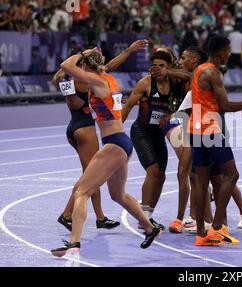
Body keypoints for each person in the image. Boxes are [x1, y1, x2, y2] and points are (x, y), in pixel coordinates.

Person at [51, 48, 162, 257]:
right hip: (121, 142)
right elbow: (102, 68)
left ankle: (74, 242)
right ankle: (149, 228)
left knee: (82, 191)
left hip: (114, 144)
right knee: (117, 195)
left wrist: (82, 53)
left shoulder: (96, 81)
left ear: (85, 65)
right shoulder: (108, 79)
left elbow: (66, 66)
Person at [188, 35, 242, 246]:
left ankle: (201, 233)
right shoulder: (213, 72)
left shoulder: (199, 70)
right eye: (228, 51)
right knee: (232, 174)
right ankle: (217, 227)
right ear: (221, 52)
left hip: (195, 127)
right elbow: (225, 107)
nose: (230, 54)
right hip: (210, 128)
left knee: (201, 181)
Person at [122, 50, 184, 231]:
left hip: (159, 134)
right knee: (153, 171)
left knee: (161, 176)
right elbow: (128, 106)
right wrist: (117, 131)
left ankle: (148, 215)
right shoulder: (145, 83)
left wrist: (172, 114)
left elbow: (181, 104)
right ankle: (144, 218)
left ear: (169, 68)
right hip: (141, 132)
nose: (156, 69)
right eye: (154, 65)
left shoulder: (175, 83)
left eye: (161, 66)